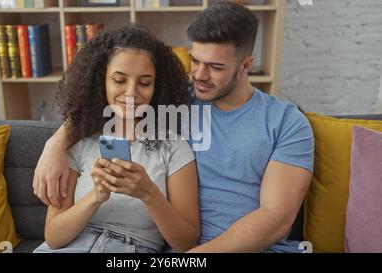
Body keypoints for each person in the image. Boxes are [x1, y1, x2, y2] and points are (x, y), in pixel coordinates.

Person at [34, 2, 314, 253]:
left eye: (215, 67)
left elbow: (276, 218)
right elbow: (104, 110)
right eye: (195, 61)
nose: (200, 76)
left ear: (246, 64)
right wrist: (55, 144)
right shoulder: (175, 104)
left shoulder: (286, 122)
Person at [33, 25, 200, 253]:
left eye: (144, 82)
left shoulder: (174, 147)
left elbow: (187, 242)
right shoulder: (78, 141)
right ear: (101, 80)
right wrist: (96, 196)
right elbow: (53, 238)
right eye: (119, 80)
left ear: (158, 86)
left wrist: (148, 193)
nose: (131, 93)